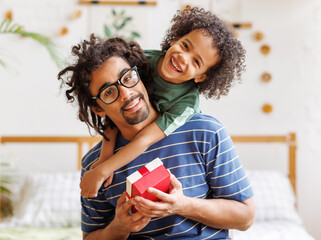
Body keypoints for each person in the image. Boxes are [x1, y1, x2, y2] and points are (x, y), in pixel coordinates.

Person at [58, 35, 255, 239]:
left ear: (140, 75)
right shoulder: (95, 170)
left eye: (127, 78)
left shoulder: (205, 132)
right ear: (99, 108)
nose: (126, 93)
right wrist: (120, 226)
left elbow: (245, 217)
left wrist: (182, 205)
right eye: (109, 92)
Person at [79, 6, 246, 199]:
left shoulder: (186, 105)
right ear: (175, 39)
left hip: (167, 141)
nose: (183, 58)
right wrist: (104, 157)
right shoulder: (142, 61)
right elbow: (115, 105)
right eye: (185, 46)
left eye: (196, 62)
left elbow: (145, 140)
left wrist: (103, 170)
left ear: (202, 77)